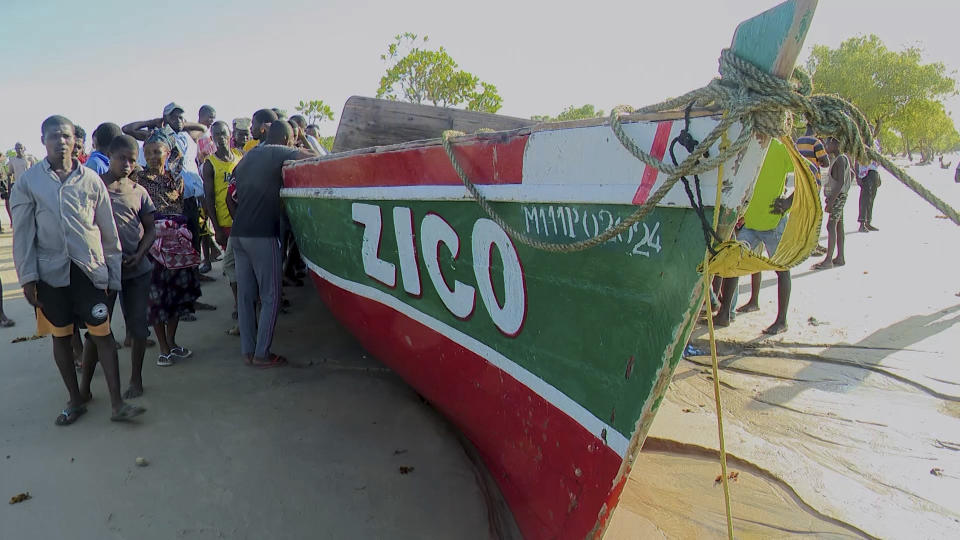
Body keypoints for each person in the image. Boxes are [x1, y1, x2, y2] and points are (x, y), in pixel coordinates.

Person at [11, 115, 145, 424]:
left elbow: (107, 231)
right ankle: (76, 399)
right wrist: (27, 277)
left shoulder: (91, 180)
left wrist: (111, 271)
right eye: (54, 136)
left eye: (66, 136)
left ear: (76, 141)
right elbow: (23, 234)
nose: (61, 142)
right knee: (61, 337)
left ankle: (117, 405)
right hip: (50, 275)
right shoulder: (29, 183)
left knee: (103, 334)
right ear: (43, 141)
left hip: (89, 271)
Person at [231, 121, 317, 367]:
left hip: (239, 234)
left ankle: (248, 351)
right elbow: (312, 157)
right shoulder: (279, 151)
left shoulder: (247, 156)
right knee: (272, 296)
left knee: (246, 297)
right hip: (261, 234)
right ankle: (262, 354)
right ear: (287, 139)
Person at [79, 135, 156, 399]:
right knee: (97, 329)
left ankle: (136, 379)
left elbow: (151, 230)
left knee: (137, 328)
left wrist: (140, 254)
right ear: (109, 156)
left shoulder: (139, 191)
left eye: (132, 160)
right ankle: (85, 387)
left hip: (136, 270)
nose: (127, 164)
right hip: (102, 272)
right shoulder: (94, 188)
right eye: (122, 158)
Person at [714, 139, 796, 334]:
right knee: (733, 264)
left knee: (782, 269)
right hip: (749, 222)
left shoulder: (780, 147)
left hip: (773, 222)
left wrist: (788, 202)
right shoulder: (747, 145)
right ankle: (725, 312)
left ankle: (782, 320)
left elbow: (810, 176)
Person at [135, 131, 201, 366]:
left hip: (177, 246)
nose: (154, 156)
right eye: (149, 152)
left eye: (158, 152)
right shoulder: (138, 179)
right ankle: (163, 347)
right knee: (157, 299)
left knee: (176, 297)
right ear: (144, 154)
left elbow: (181, 207)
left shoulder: (177, 179)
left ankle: (172, 342)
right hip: (152, 247)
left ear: (167, 153)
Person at [201, 121, 242, 333]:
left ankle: (246, 303)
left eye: (224, 134)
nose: (221, 138)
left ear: (230, 134)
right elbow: (208, 198)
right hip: (225, 223)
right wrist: (215, 227)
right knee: (232, 267)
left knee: (243, 266)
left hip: (242, 221)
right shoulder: (210, 164)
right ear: (212, 137)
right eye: (216, 134)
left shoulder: (239, 158)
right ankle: (238, 303)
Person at [814, 138, 853, 270]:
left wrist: (831, 201)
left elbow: (841, 181)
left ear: (836, 144)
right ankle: (840, 257)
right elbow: (851, 175)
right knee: (838, 225)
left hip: (837, 198)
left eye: (828, 143)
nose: (826, 145)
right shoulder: (839, 159)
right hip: (838, 196)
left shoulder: (840, 160)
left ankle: (828, 259)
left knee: (831, 225)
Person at [5, 142, 34, 230]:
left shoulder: (29, 158)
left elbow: (34, 172)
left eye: (21, 148)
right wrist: (8, 188)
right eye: (17, 148)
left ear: (24, 148)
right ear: (15, 150)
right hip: (18, 185)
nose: (19, 150)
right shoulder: (12, 160)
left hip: (29, 185)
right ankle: (16, 222)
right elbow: (10, 174)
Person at [857, 140, 881, 232]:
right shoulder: (861, 142)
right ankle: (862, 224)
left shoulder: (875, 142)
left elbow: (879, 159)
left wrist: (878, 175)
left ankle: (868, 222)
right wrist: (857, 176)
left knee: (871, 199)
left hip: (873, 172)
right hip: (865, 174)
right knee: (864, 199)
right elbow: (857, 159)